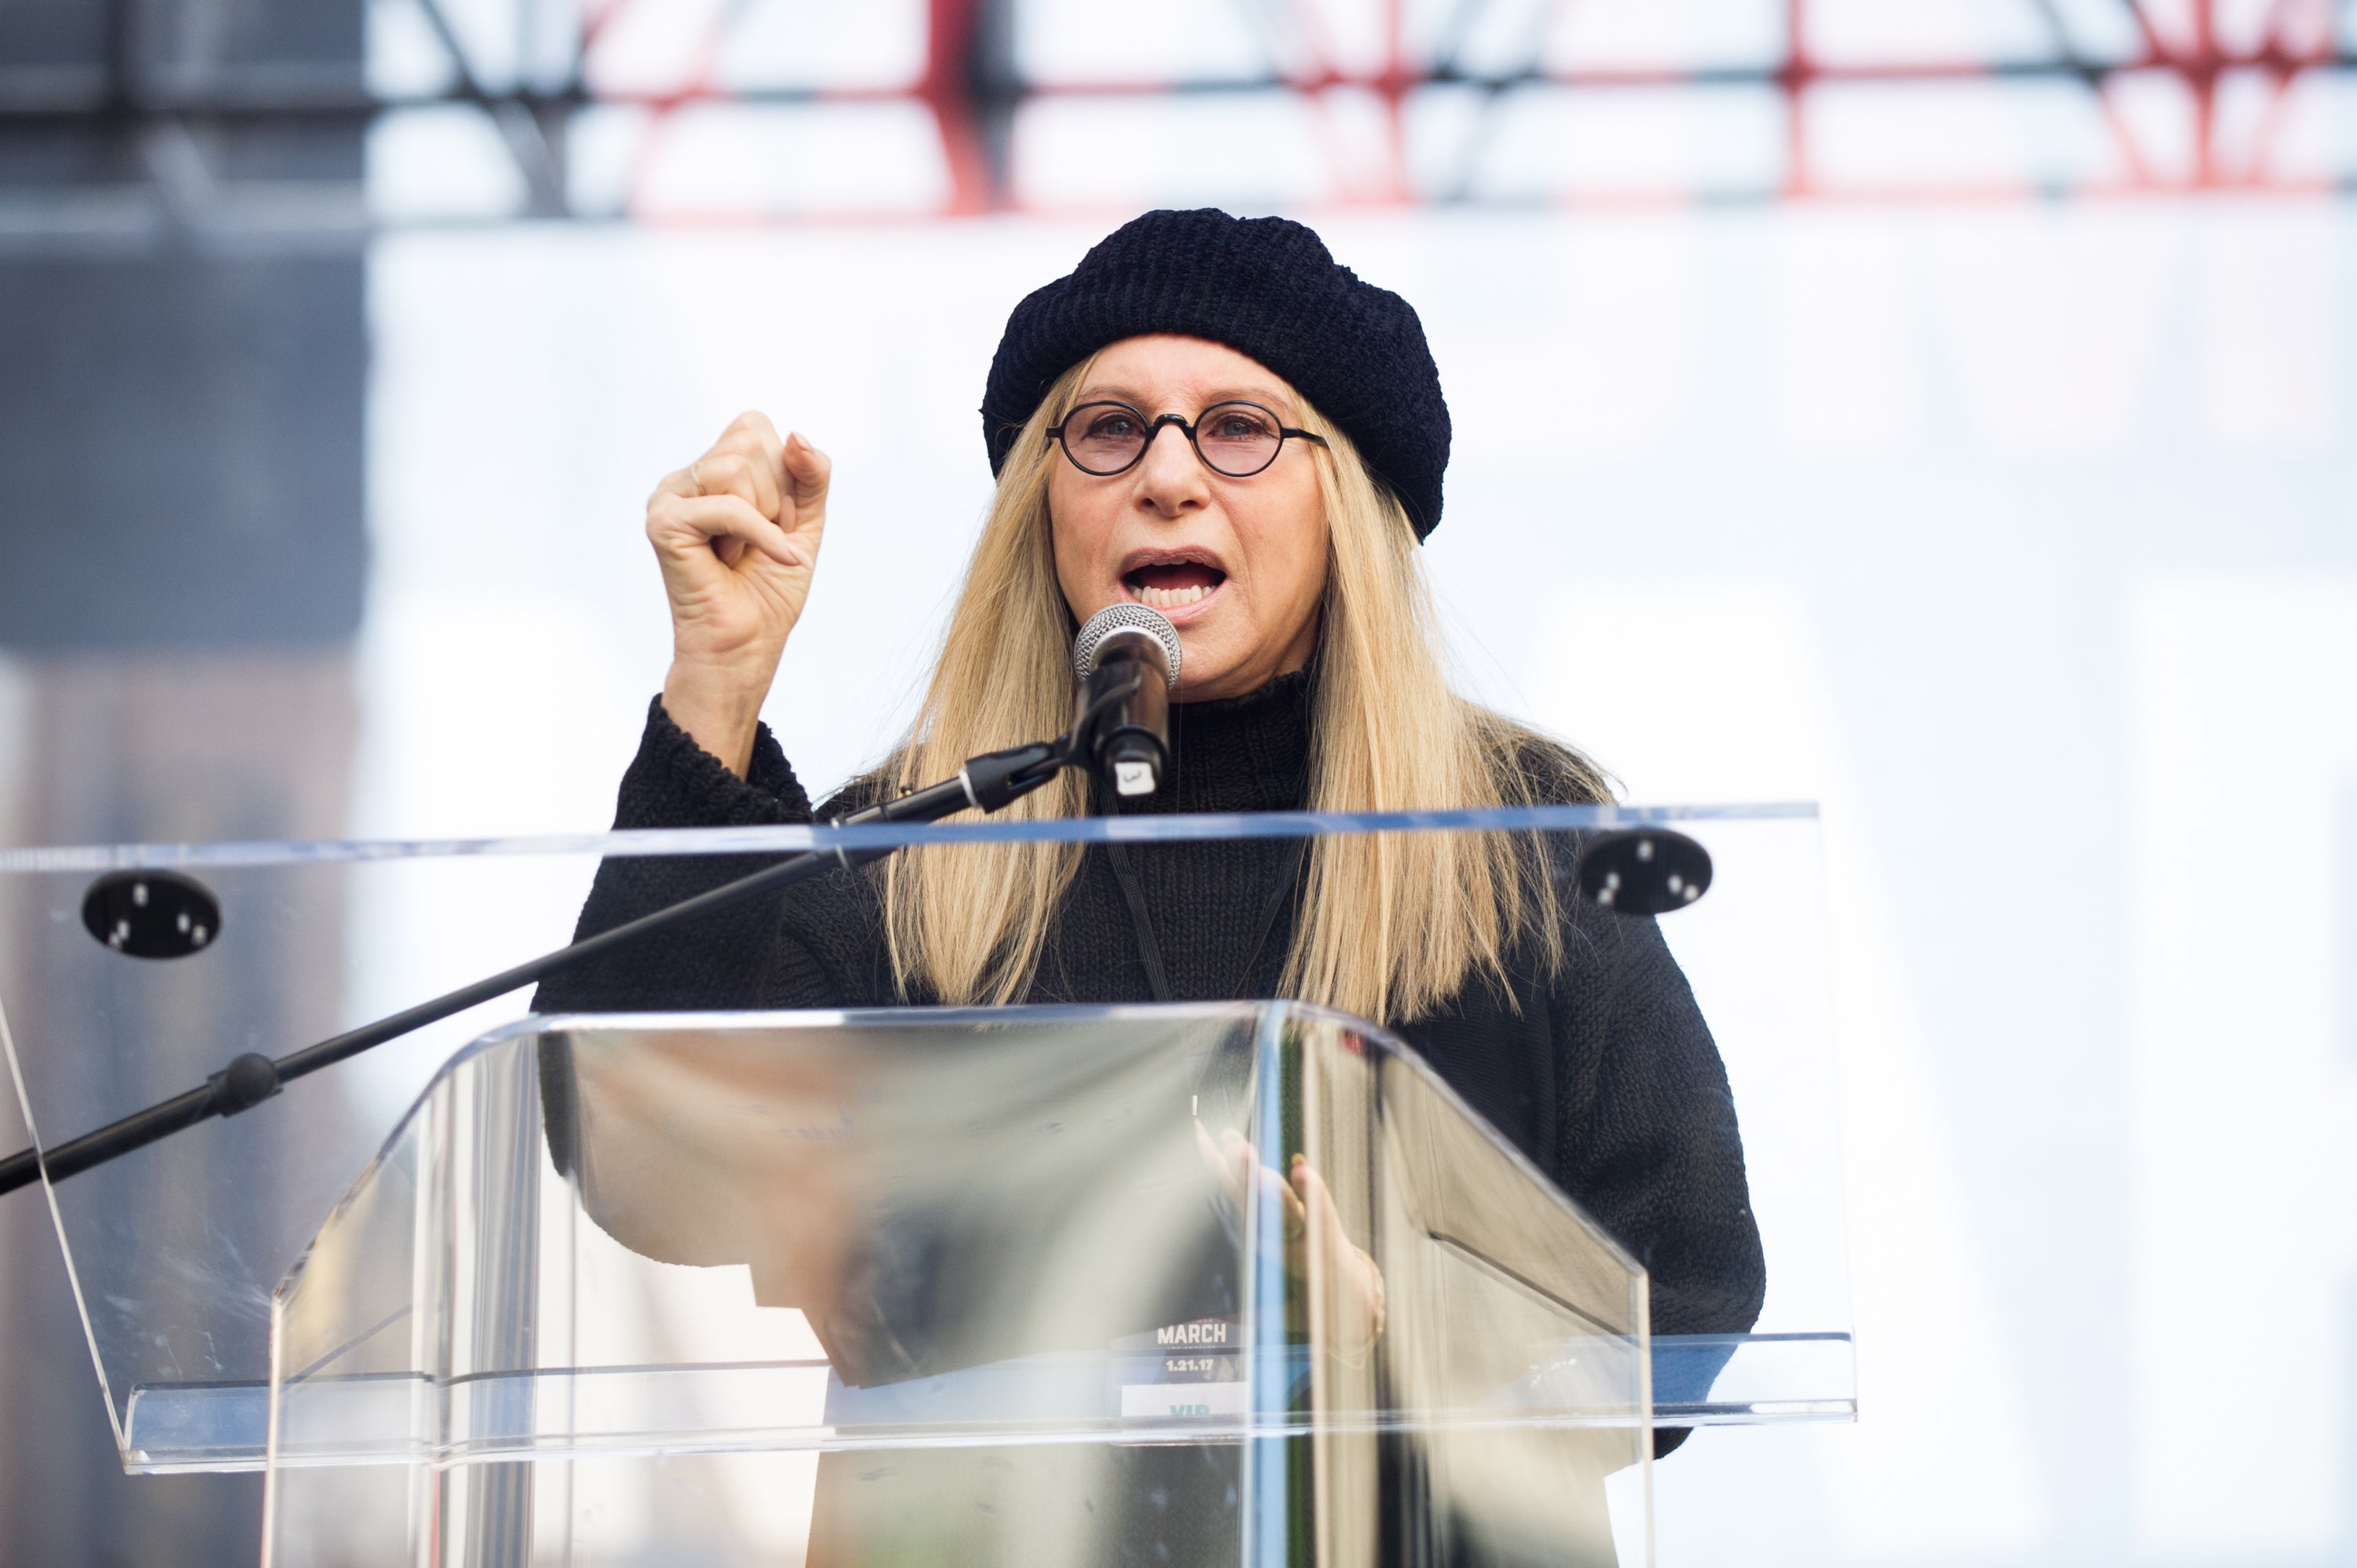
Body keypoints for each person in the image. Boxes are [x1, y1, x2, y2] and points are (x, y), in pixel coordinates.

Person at [540, 208, 1764, 1560]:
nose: (1169, 477)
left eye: (1239, 426)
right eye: (1109, 428)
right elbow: (640, 1156)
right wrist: (719, 679)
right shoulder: (917, 857)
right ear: (1045, 503)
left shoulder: (1518, 843)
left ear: (1346, 500)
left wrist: (1385, 1332)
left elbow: (1686, 1296)